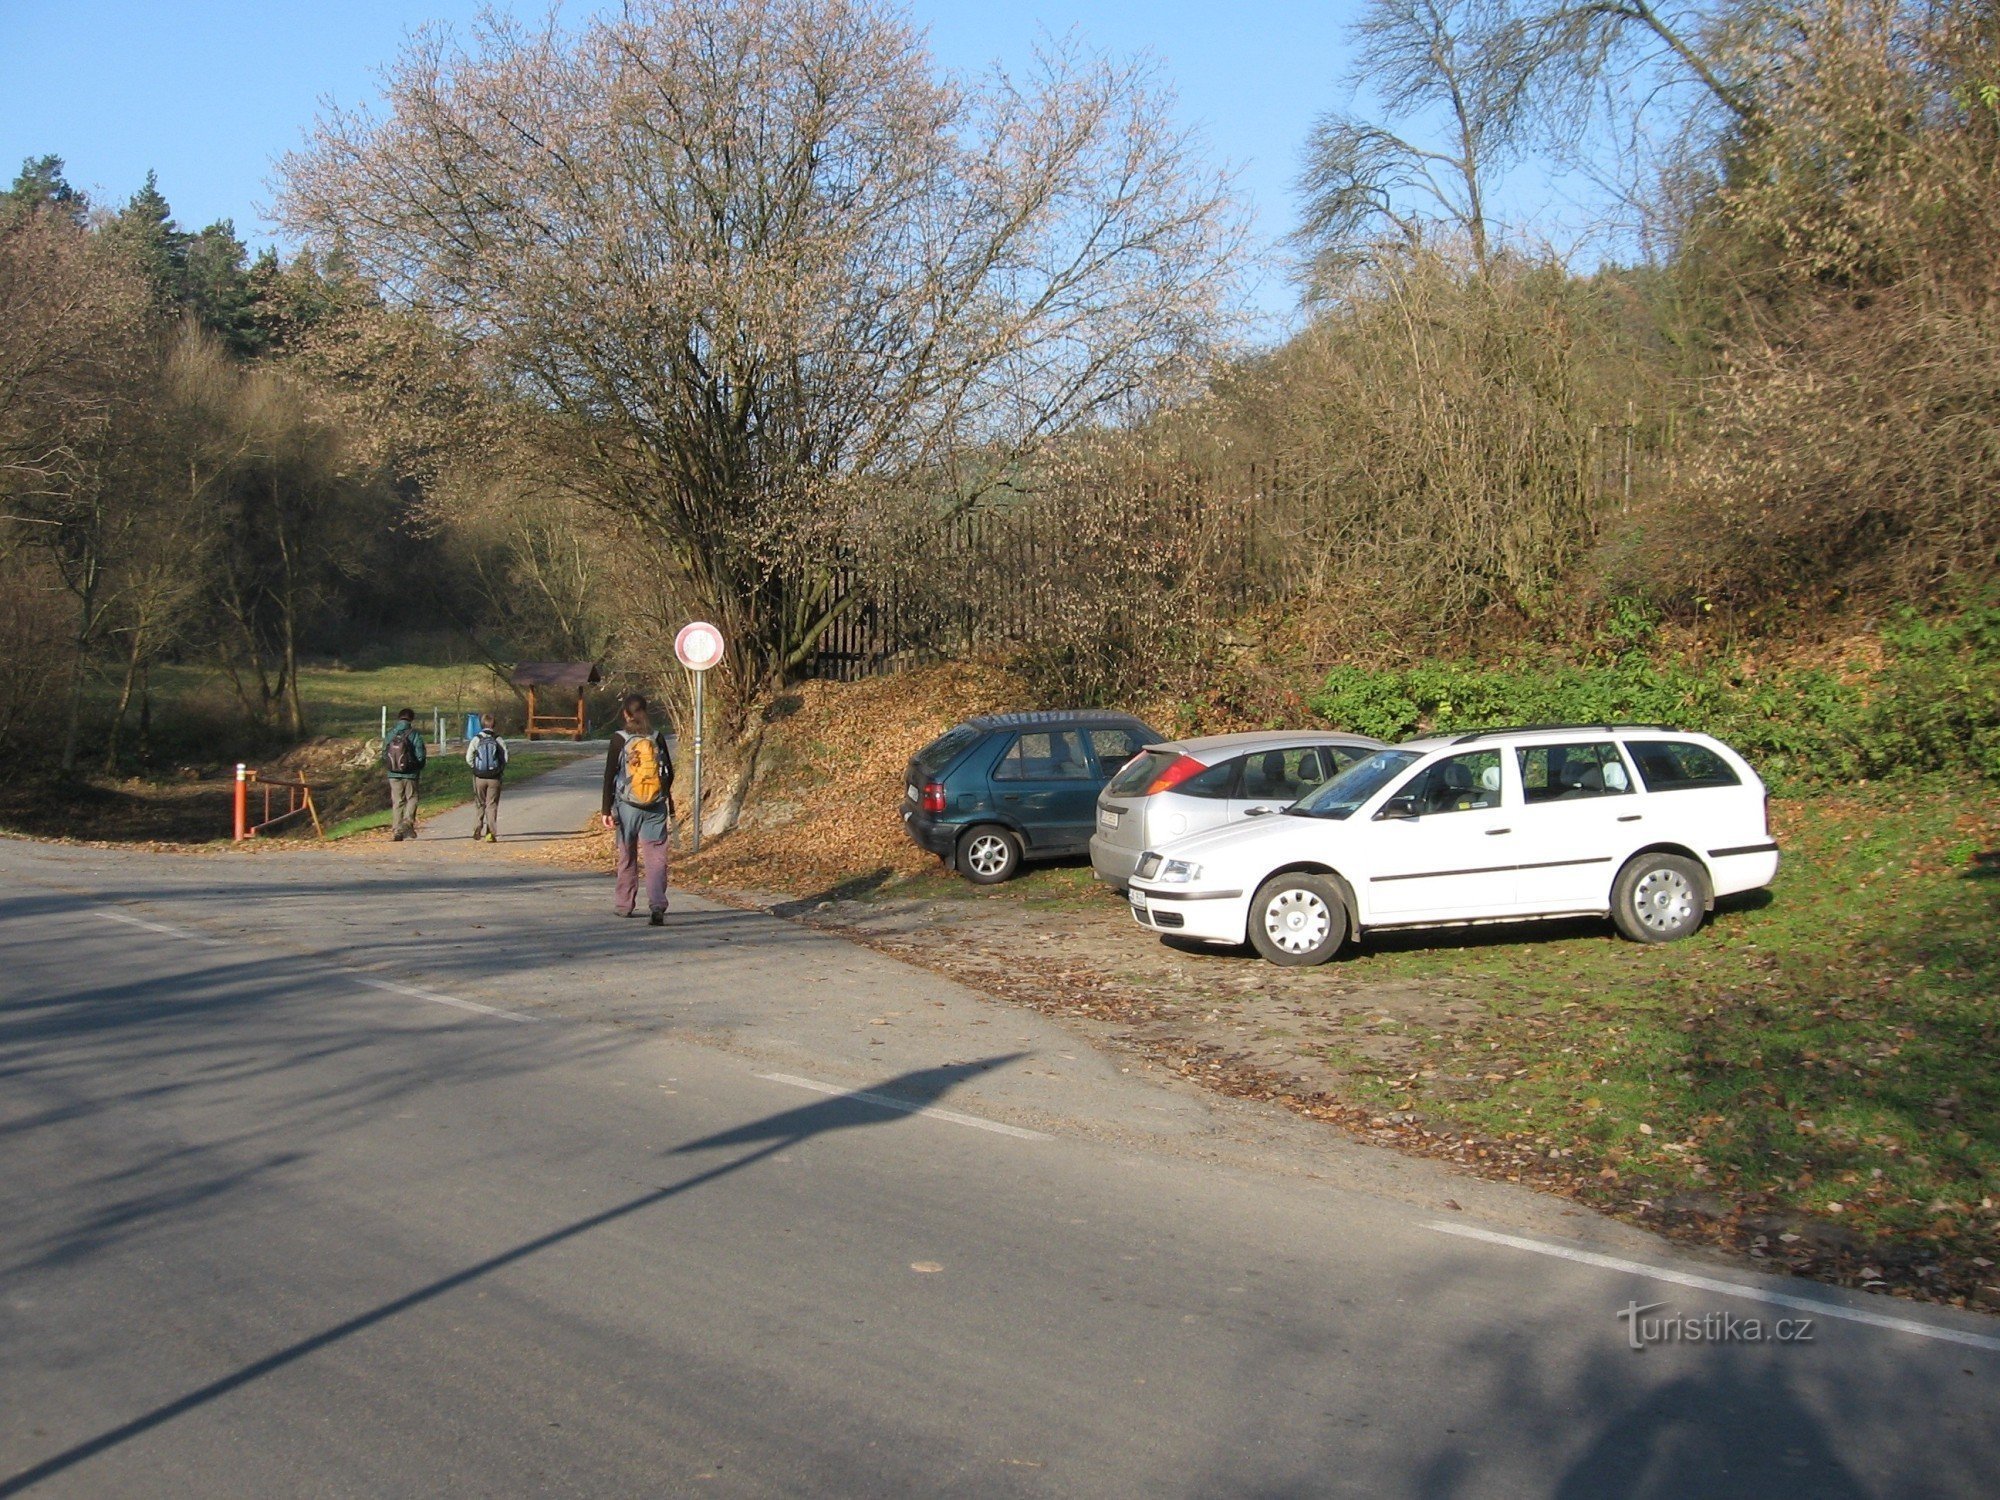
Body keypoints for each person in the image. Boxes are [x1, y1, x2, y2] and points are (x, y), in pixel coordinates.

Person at [602, 694, 675, 924]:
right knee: (655, 858)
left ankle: (624, 905)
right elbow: (669, 773)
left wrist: (606, 809)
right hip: (655, 806)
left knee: (627, 855)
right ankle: (657, 904)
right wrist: (658, 794)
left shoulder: (619, 739)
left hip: (627, 807)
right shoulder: (656, 737)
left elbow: (609, 775)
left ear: (626, 713)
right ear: (646, 711)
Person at [384, 708, 428, 841]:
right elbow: (420, 755)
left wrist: (390, 768)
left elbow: (383, 753)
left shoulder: (390, 734)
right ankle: (408, 823)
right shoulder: (414, 734)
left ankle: (397, 830)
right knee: (412, 797)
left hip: (393, 774)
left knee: (397, 801)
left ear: (399, 718)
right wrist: (418, 768)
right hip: (410, 774)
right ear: (411, 719)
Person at [464, 720, 510, 842]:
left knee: (480, 803)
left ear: (482, 725)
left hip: (479, 777)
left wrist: (476, 768)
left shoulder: (476, 739)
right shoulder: (498, 739)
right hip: (494, 778)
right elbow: (505, 757)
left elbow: (468, 757)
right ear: (494, 725)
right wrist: (499, 769)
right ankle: (490, 833)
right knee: (492, 805)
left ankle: (477, 826)